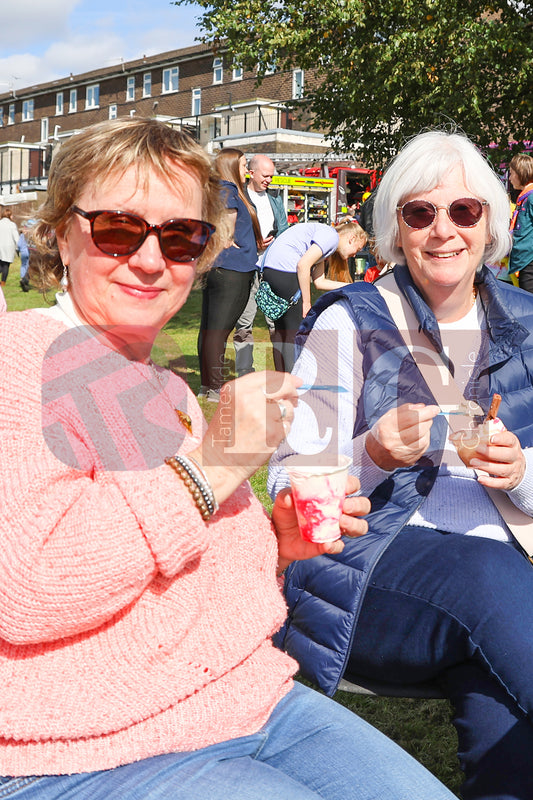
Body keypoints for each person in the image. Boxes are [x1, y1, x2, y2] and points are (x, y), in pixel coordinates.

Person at [0, 117, 457, 800]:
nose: (152, 260)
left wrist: (276, 542)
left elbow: (171, 557)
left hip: (249, 698)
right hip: (87, 746)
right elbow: (28, 588)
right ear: (63, 232)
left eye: (181, 236)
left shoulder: (162, 387)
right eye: (119, 230)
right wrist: (214, 466)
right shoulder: (20, 358)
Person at [269, 129, 533, 800]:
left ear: (491, 224)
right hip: (372, 574)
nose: (442, 230)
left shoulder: (527, 324)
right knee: (483, 570)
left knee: (509, 722)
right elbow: (289, 476)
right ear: (395, 227)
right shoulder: (349, 321)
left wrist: (521, 473)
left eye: (463, 211)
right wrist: (371, 455)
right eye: (419, 213)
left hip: (509, 597)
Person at [197, 147, 261, 402]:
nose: (247, 170)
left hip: (226, 268)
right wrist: (226, 241)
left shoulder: (224, 191)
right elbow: (225, 231)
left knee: (211, 329)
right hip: (232, 269)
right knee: (218, 331)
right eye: (245, 165)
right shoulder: (228, 190)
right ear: (231, 166)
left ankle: (207, 386)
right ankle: (214, 387)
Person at [261, 220, 363, 372]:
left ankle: (281, 381)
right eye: (358, 249)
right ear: (352, 238)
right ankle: (292, 382)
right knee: (293, 333)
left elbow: (319, 282)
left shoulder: (325, 241)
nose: (354, 255)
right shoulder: (331, 237)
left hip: (272, 270)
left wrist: (353, 286)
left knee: (282, 332)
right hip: (286, 271)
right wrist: (306, 302)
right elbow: (303, 265)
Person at [233, 154, 289, 377]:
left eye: (271, 176)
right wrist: (253, 244)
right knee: (244, 323)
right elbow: (232, 233)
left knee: (275, 323)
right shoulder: (240, 198)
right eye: (265, 176)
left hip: (270, 270)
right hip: (247, 269)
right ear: (251, 173)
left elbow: (284, 231)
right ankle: (244, 372)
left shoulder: (275, 201)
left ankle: (282, 371)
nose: (269, 180)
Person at [507, 152, 533, 292]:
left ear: (521, 173)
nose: (510, 178)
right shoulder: (524, 198)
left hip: (529, 260)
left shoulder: (531, 197)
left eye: (512, 173)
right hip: (524, 261)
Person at [0, 206, 19, 287]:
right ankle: (3, 282)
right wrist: (18, 247)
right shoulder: (12, 225)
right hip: (8, 247)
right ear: (9, 215)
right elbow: (16, 237)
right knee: (6, 265)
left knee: (0, 263)